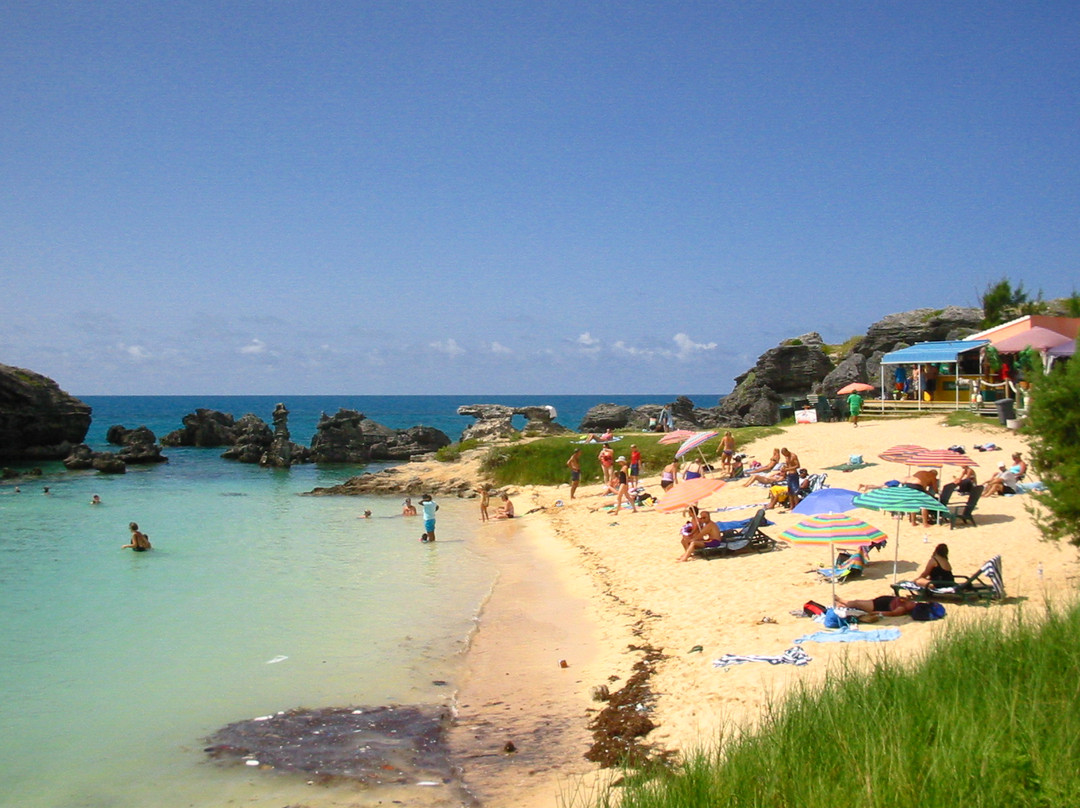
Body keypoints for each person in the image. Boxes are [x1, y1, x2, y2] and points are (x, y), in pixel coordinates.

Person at [834, 594, 918, 618]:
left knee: (857, 602)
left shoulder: (902, 609)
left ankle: (840, 600)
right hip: (878, 601)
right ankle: (844, 605)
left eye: (913, 605)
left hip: (877, 606)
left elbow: (891, 613)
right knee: (858, 603)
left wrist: (876, 613)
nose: (913, 603)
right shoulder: (906, 602)